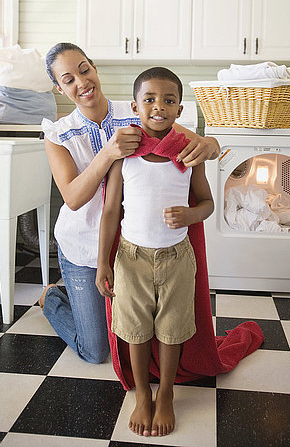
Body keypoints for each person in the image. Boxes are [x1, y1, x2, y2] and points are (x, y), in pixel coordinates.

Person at [38, 43, 220, 365]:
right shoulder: (58, 134)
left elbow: (195, 142)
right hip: (83, 246)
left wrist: (212, 143)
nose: (82, 83)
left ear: (94, 68)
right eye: (68, 80)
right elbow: (73, 198)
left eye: (84, 70)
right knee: (96, 351)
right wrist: (109, 151)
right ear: (58, 88)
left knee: (137, 331)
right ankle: (53, 297)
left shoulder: (138, 109)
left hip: (134, 248)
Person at [96, 66, 214, 437]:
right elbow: (111, 209)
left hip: (176, 258)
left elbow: (208, 203)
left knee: (171, 329)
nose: (158, 106)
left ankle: (166, 393)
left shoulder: (187, 154)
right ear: (136, 106)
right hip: (131, 259)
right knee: (134, 328)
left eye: (168, 100)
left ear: (180, 110)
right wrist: (103, 263)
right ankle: (143, 394)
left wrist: (192, 213)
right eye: (149, 99)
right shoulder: (124, 153)